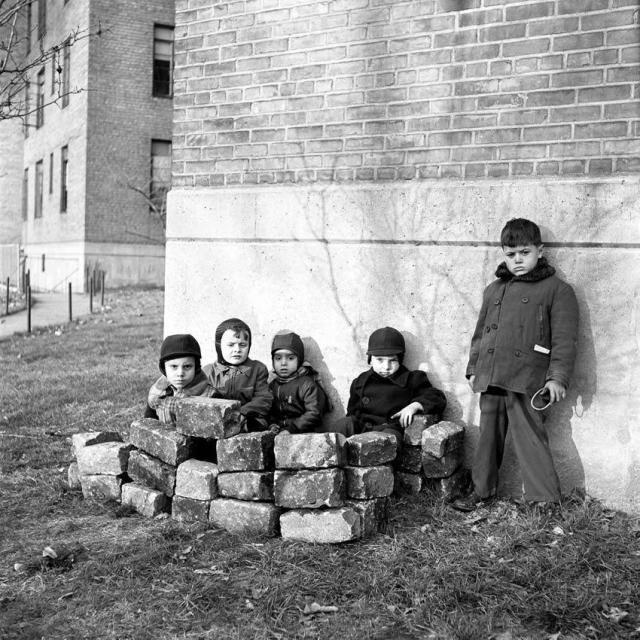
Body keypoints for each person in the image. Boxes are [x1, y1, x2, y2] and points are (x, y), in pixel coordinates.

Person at [453, 218, 579, 512]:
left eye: (524, 252)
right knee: (487, 436)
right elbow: (482, 332)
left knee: (529, 436)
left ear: (540, 250)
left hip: (527, 378)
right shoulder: (494, 289)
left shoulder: (557, 290)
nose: (518, 260)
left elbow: (565, 340)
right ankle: (481, 490)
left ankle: (544, 499)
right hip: (493, 375)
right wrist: (474, 367)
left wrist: (557, 378)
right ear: (503, 255)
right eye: (511, 254)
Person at [345, 326, 447, 442]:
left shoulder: (412, 379)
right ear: (370, 359)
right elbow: (352, 411)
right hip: (362, 428)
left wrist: (415, 405)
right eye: (380, 360)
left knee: (386, 441)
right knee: (343, 424)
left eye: (392, 360)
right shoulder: (361, 381)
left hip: (389, 429)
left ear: (400, 359)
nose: (386, 367)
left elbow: (437, 397)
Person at [202, 318, 272, 431]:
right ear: (219, 346)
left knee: (259, 424)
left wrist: (242, 413)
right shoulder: (208, 371)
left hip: (246, 417)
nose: (237, 350)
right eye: (230, 345)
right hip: (216, 419)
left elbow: (263, 398)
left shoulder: (257, 369)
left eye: (242, 345)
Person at [268, 331, 329, 434]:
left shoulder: (307, 384)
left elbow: (314, 413)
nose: (283, 363)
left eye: (290, 358)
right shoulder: (273, 386)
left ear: (299, 359)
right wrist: (272, 425)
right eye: (278, 358)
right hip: (281, 433)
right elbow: (269, 411)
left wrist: (293, 429)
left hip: (305, 434)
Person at [145, 334, 212, 424]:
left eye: (187, 366)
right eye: (174, 366)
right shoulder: (157, 392)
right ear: (164, 368)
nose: (180, 373)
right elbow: (148, 425)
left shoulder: (210, 396)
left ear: (196, 368)